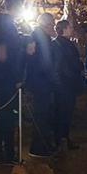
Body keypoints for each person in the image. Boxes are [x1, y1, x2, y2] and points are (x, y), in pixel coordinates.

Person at [0, 0, 27, 164]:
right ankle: (6, 153)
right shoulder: (4, 24)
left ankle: (0, 151)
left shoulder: (4, 23)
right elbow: (3, 54)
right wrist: (16, 78)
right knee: (8, 115)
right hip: (6, 78)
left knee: (5, 115)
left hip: (3, 77)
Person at [28, 13, 57, 158]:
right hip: (41, 82)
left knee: (43, 114)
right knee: (41, 114)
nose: (53, 27)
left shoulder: (37, 36)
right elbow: (45, 63)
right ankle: (39, 146)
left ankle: (42, 144)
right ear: (46, 25)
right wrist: (53, 79)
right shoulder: (41, 38)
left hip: (39, 81)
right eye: (52, 24)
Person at [52, 19, 83, 150]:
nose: (72, 29)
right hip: (66, 84)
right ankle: (61, 140)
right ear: (63, 29)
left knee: (64, 113)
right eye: (70, 27)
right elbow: (65, 65)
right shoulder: (63, 45)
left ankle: (62, 139)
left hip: (64, 84)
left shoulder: (59, 43)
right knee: (64, 113)